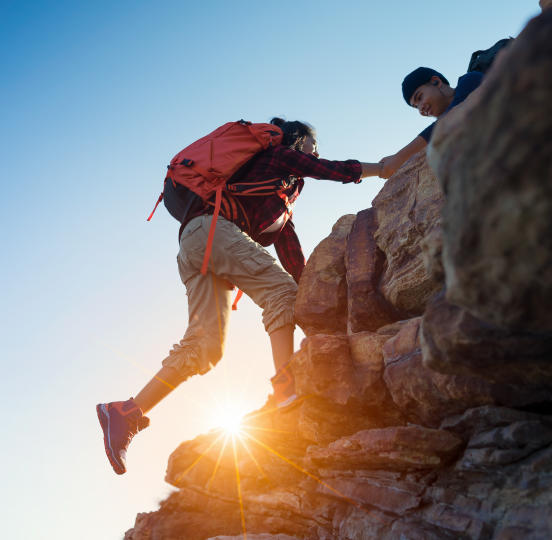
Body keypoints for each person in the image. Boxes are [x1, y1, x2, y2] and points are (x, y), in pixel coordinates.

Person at [96, 118, 383, 475]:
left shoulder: (278, 199)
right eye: (313, 143)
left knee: (205, 347)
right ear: (299, 141)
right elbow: (330, 170)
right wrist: (383, 168)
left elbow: (291, 252)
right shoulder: (280, 157)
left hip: (194, 242)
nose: (316, 150)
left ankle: (125, 413)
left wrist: (313, 297)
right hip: (212, 230)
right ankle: (286, 392)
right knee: (280, 293)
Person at [379, 67, 484, 179]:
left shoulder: (470, 80)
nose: (421, 109)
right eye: (416, 107)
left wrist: (399, 158)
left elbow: (453, 116)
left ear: (436, 82)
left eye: (420, 97)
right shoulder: (442, 132)